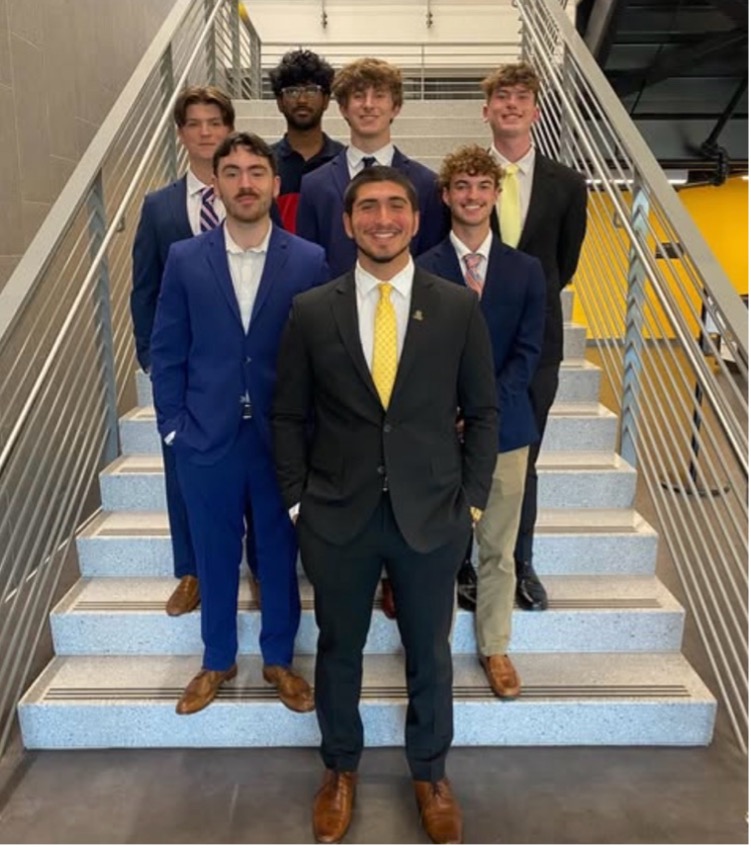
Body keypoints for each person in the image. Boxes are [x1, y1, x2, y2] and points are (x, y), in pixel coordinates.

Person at [273, 166, 498, 844]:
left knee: (429, 650)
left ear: (416, 219)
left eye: (396, 205)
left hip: (431, 513)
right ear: (347, 223)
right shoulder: (313, 309)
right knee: (338, 647)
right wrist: (296, 503)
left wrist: (473, 504)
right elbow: (288, 415)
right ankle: (340, 769)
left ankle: (430, 772)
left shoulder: (455, 306)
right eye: (367, 207)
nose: (382, 218)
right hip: (337, 513)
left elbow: (483, 412)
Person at [150, 132, 330, 715]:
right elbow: (167, 350)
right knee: (214, 553)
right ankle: (217, 658)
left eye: (256, 172)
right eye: (232, 172)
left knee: (278, 552)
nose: (245, 183)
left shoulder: (308, 260)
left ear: (275, 183)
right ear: (217, 183)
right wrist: (173, 427)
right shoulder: (185, 259)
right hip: (206, 437)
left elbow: (323, 354)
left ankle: (279, 658)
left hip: (282, 440)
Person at [417, 145, 546, 699]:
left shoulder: (525, 270)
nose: (472, 196)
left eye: (483, 187)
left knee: (498, 546)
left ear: (496, 194)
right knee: (439, 547)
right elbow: (416, 353)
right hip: (438, 432)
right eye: (462, 187)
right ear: (446, 196)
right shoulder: (421, 267)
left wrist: (483, 411)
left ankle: (495, 646)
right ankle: (434, 647)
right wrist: (449, 410)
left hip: (506, 430)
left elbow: (529, 351)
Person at [130, 85, 263, 617]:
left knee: (256, 471)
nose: (205, 132)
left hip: (249, 369)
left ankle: (259, 564)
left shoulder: (252, 192)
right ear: (180, 133)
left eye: (215, 122)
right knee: (182, 472)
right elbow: (144, 287)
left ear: (229, 128)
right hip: (190, 374)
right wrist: (152, 360)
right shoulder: (159, 206)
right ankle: (192, 570)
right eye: (194, 123)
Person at [483, 61, 587, 611]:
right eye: (502, 97)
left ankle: (520, 562)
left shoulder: (567, 184)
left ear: (536, 111)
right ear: (486, 110)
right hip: (471, 339)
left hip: (537, 344)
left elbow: (563, 265)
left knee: (525, 456)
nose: (511, 105)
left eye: (521, 97)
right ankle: (464, 563)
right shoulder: (465, 177)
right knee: (460, 454)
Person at [296, 57, 447, 278]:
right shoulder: (314, 184)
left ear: (395, 107)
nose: (368, 104)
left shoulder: (426, 183)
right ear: (343, 108)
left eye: (379, 95)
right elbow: (309, 262)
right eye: (358, 96)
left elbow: (430, 263)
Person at [268, 48, 345, 232]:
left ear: (326, 100)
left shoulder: (344, 161)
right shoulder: (264, 163)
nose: (302, 100)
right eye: (292, 91)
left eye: (311, 90)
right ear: (279, 102)